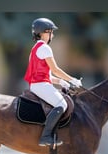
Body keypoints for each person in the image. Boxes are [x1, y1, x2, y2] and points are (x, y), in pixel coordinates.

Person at [24, 17, 82, 147]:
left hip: (38, 84)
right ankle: (45, 137)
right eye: (51, 32)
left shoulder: (34, 48)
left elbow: (46, 75)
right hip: (40, 85)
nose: (52, 35)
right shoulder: (45, 48)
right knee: (62, 105)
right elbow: (55, 69)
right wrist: (72, 79)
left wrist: (61, 82)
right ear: (43, 32)